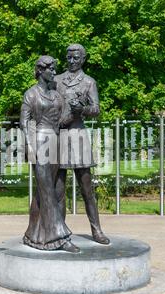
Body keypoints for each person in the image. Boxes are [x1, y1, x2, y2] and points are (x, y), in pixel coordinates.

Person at [20, 55, 79, 253]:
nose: (54, 72)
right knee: (47, 192)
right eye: (51, 69)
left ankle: (33, 235)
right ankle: (60, 237)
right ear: (40, 70)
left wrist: (79, 110)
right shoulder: (31, 94)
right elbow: (25, 122)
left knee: (53, 190)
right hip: (39, 143)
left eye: (54, 68)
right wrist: (31, 151)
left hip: (57, 142)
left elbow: (63, 119)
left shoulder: (56, 95)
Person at [55, 44, 110, 246]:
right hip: (59, 137)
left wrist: (83, 109)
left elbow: (96, 109)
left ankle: (96, 230)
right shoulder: (56, 80)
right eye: (69, 57)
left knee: (87, 188)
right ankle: (60, 232)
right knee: (58, 190)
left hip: (78, 136)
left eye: (76, 58)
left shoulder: (89, 82)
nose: (71, 61)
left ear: (83, 59)